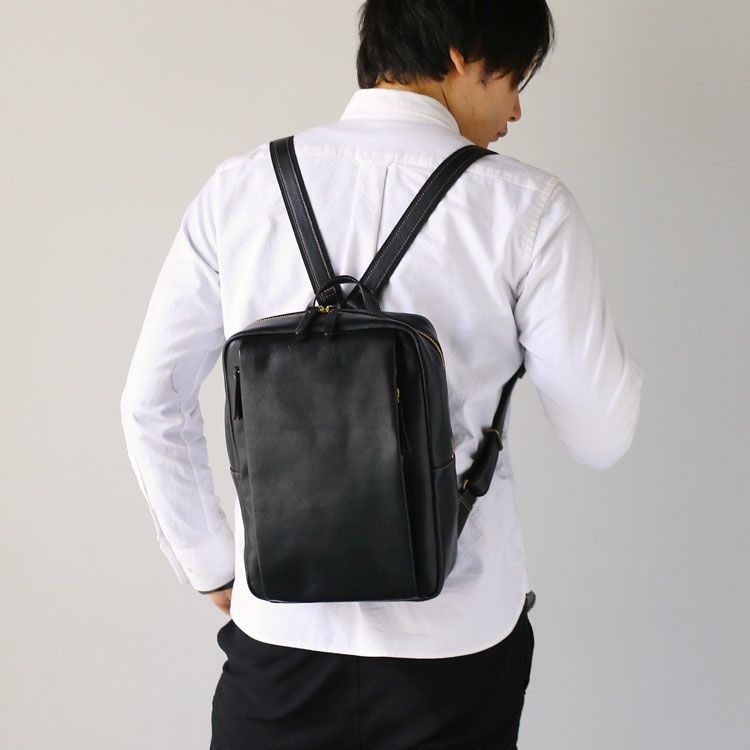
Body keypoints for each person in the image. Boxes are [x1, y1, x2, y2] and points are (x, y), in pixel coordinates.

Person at [119, 1, 644, 747]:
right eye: (514, 79)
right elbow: (599, 435)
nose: (516, 110)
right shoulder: (528, 209)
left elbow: (152, 401)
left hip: (281, 642)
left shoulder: (240, 188)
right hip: (453, 651)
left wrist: (212, 564)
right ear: (462, 55)